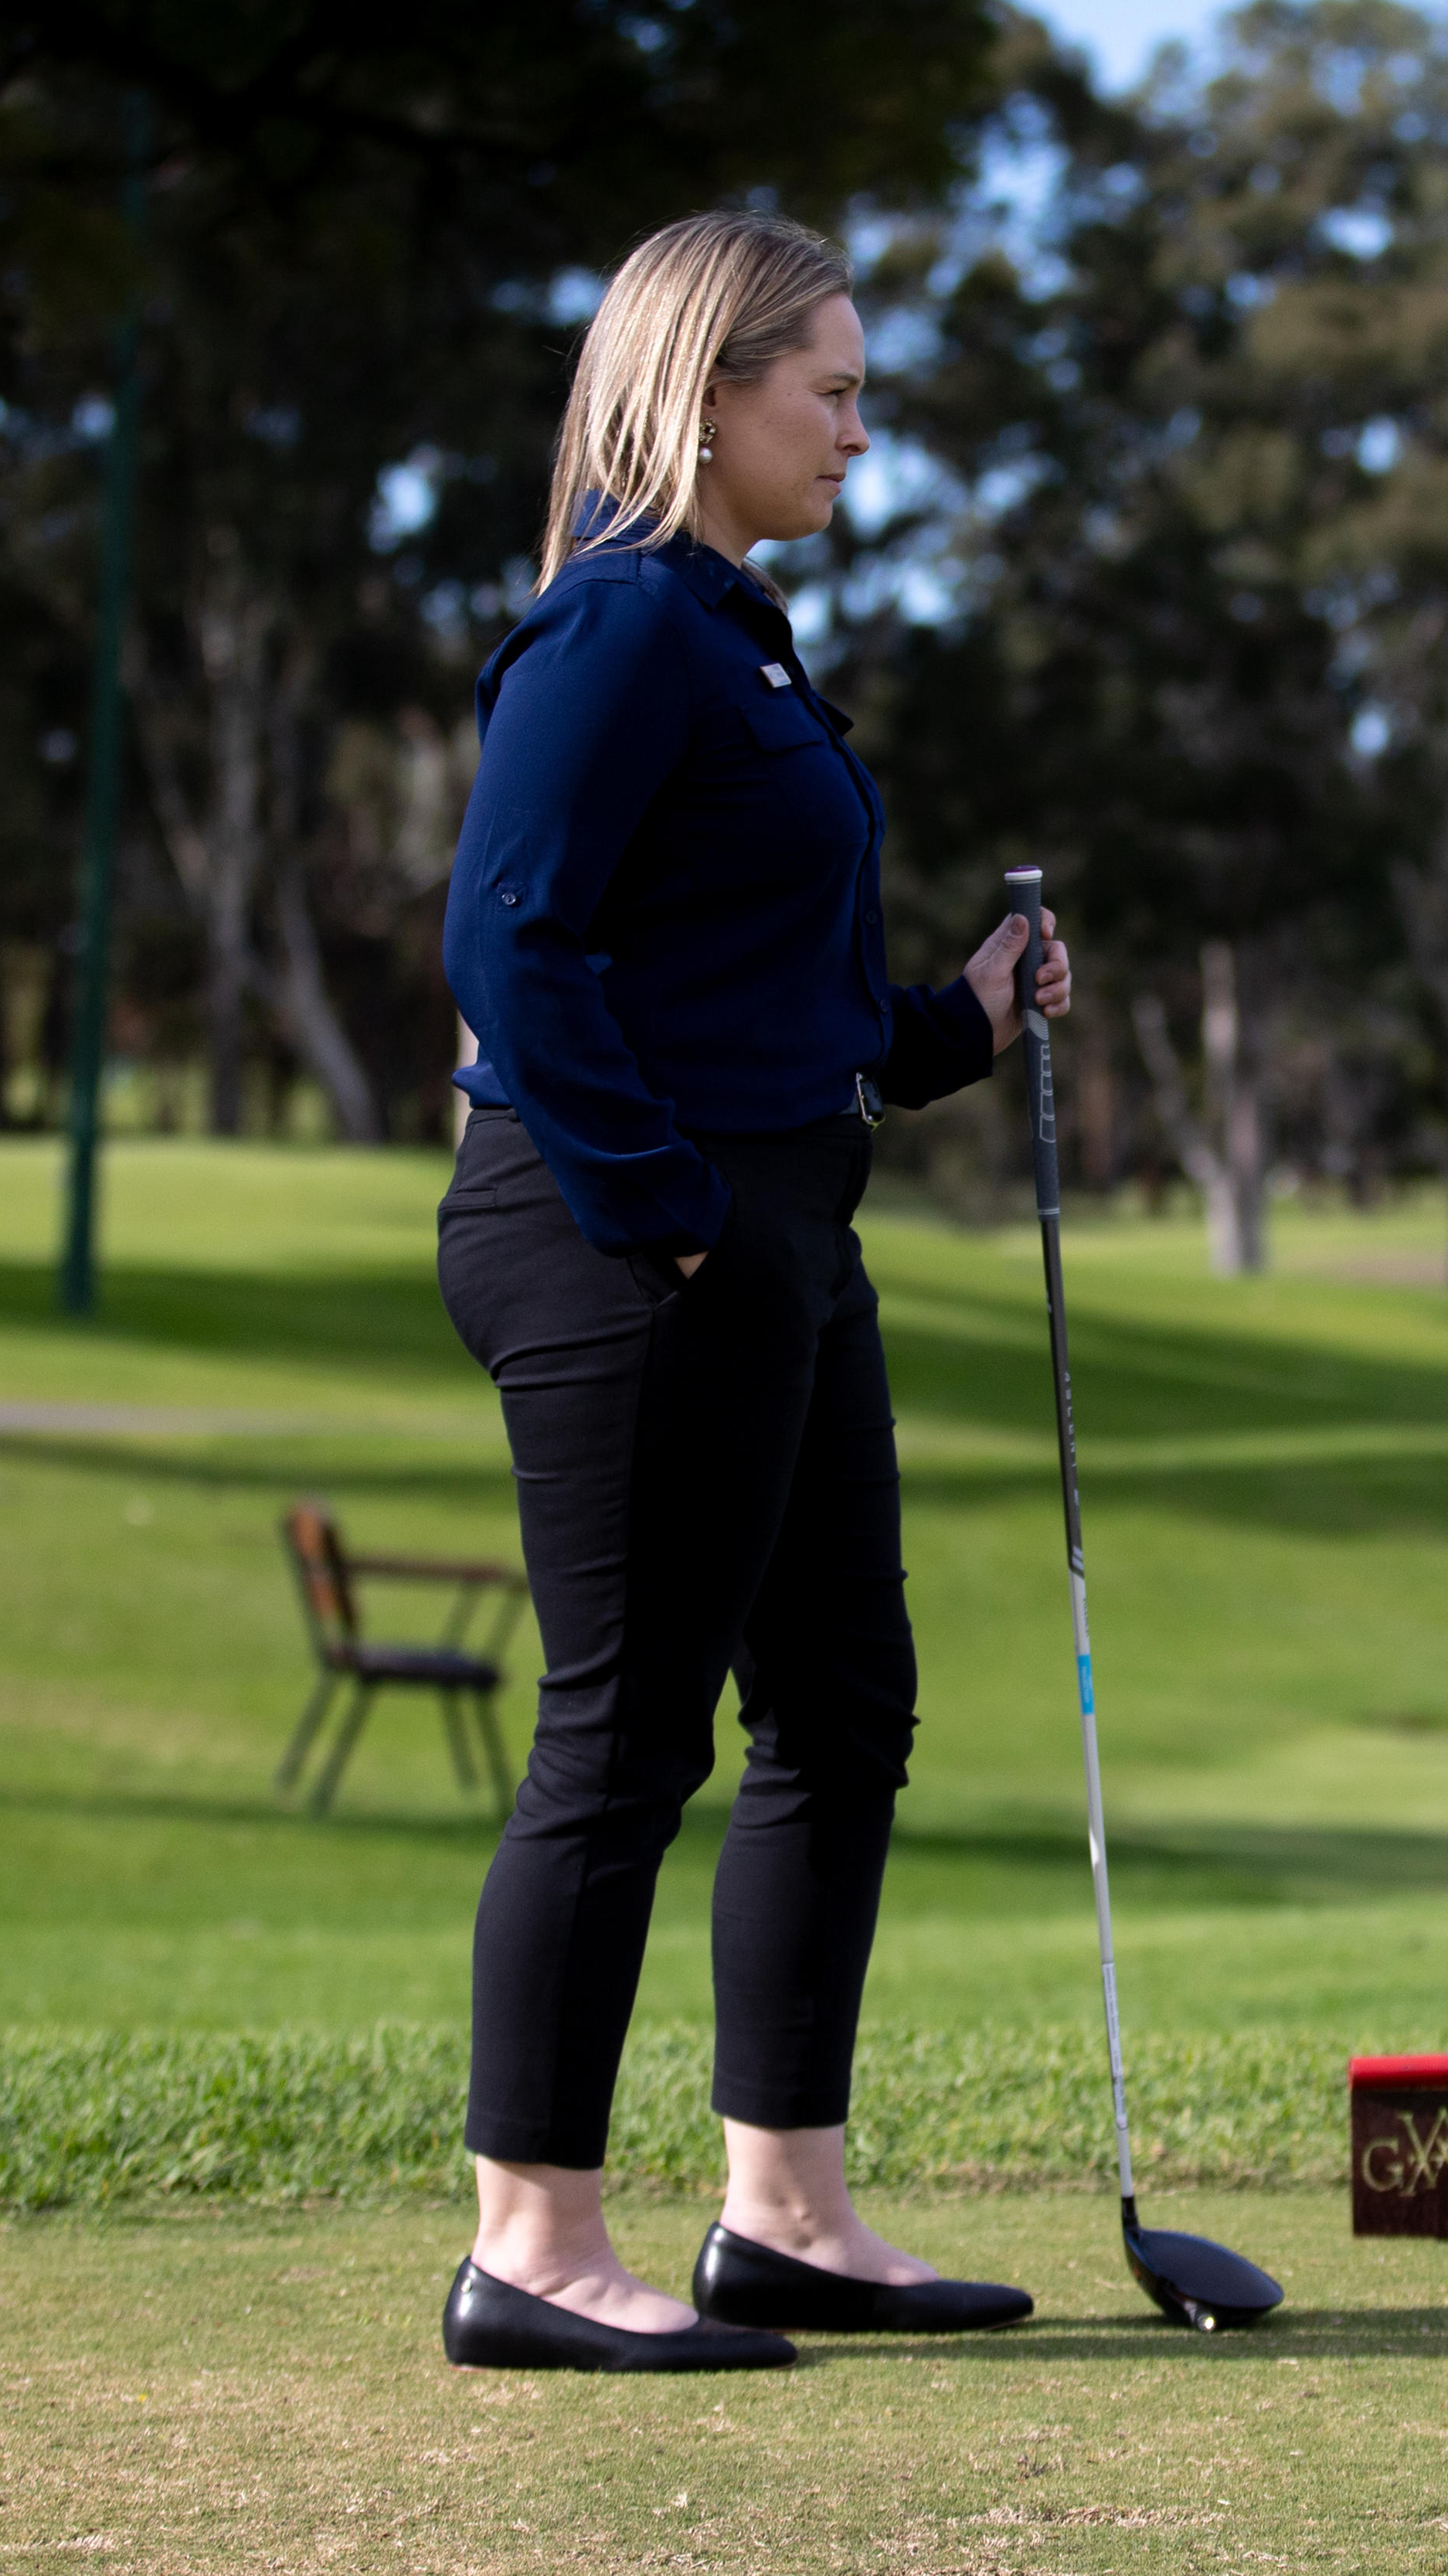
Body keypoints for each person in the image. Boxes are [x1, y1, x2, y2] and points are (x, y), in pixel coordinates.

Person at [430, 208, 1069, 2373]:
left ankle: (785, 2216)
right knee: (623, 1741)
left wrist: (960, 1019)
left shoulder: (746, 643)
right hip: (636, 1237)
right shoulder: (616, 632)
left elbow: (782, 1003)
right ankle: (528, 2248)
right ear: (709, 397)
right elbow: (511, 942)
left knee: (845, 1708)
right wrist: (673, 1211)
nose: (861, 437)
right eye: (836, 395)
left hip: (780, 1224)